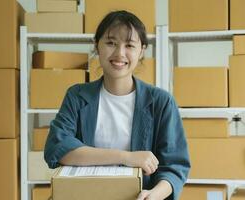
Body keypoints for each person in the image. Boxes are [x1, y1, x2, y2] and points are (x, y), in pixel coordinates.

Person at [44, 10, 190, 200]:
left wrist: (154, 194)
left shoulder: (161, 102)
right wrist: (126, 157)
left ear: (142, 50)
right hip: (83, 195)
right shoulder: (77, 96)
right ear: (97, 46)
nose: (120, 53)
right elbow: (58, 148)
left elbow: (175, 166)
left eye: (129, 45)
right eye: (111, 43)